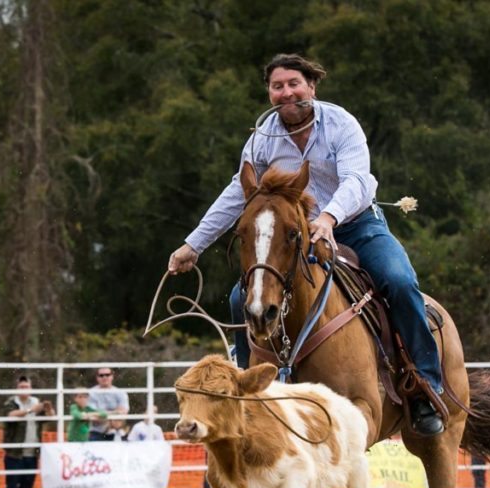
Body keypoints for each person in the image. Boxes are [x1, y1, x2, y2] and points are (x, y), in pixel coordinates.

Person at [167, 54, 445, 437]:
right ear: (269, 92)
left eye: (293, 84)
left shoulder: (341, 124)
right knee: (240, 298)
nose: (286, 93)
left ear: (311, 87)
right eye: (277, 86)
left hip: (355, 224)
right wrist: (193, 244)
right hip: (293, 235)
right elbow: (239, 192)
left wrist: (328, 218)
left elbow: (357, 180)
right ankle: (249, 395)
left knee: (398, 280)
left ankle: (424, 387)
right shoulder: (262, 138)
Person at [2, 376, 53, 488]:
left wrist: (48, 409)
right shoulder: (11, 402)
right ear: (17, 389)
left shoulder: (36, 402)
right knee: (12, 485)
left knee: (27, 485)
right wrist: (31, 410)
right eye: (22, 387)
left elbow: (49, 418)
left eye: (27, 387)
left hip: (32, 452)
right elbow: (10, 416)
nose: (24, 389)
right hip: (15, 452)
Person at [87, 367, 129, 441]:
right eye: (101, 375)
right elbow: (93, 416)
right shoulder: (91, 393)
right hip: (96, 432)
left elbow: (123, 412)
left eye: (107, 374)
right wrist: (114, 413)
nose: (104, 377)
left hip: (117, 431)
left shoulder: (120, 393)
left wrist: (102, 415)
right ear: (97, 377)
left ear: (112, 376)